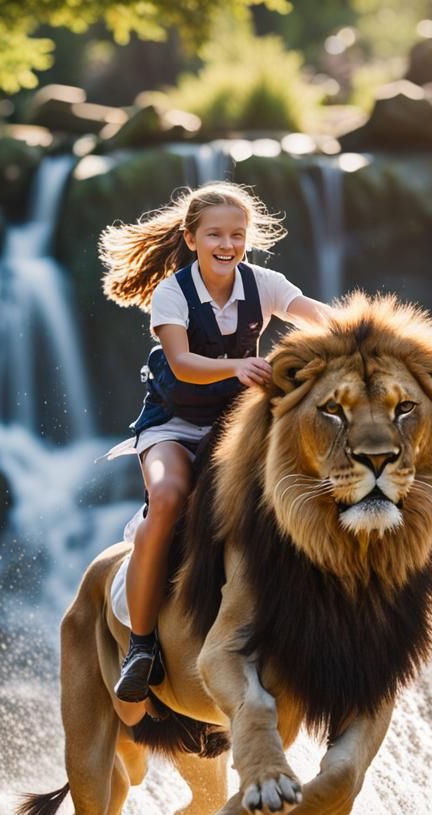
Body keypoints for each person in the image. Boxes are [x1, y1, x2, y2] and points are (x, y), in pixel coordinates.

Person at [98, 181, 330, 704]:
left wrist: (361, 335)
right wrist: (238, 365)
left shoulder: (263, 282)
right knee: (168, 498)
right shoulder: (173, 293)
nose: (227, 245)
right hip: (173, 424)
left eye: (237, 235)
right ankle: (141, 644)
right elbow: (182, 364)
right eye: (215, 235)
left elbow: (318, 315)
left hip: (235, 426)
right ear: (192, 237)